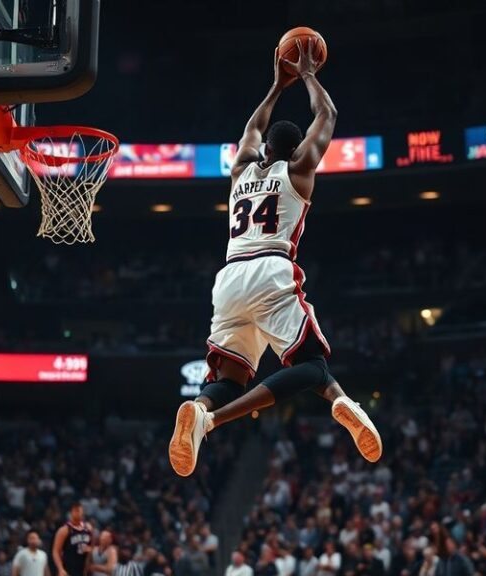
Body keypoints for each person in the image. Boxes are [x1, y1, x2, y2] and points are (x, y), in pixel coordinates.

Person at [168, 37, 382, 478]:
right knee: (313, 368)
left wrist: (275, 85)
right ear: (297, 148)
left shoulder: (241, 169)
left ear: (266, 148)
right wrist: (306, 75)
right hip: (271, 269)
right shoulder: (299, 170)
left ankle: (202, 408)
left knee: (229, 380)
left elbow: (250, 130)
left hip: (228, 278)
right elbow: (328, 116)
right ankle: (330, 401)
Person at [53, 503, 93, 576]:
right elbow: (55, 551)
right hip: (68, 568)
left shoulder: (88, 528)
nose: (78, 513)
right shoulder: (64, 530)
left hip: (82, 568)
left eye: (79, 511)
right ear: (71, 512)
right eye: (76, 511)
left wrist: (88, 551)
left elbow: (91, 547)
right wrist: (60, 569)